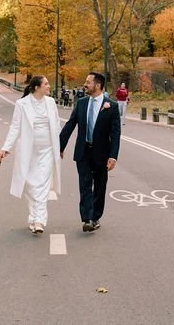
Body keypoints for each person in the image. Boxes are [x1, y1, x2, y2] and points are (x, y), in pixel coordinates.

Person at [0, 75, 61, 234]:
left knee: (42, 185)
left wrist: (59, 147)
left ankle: (39, 220)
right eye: (46, 84)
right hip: (28, 151)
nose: (49, 86)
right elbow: (15, 128)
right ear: (37, 87)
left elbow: (56, 124)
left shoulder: (51, 103)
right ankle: (33, 217)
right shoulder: (22, 104)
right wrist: (5, 149)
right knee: (30, 185)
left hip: (47, 150)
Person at [59, 72, 120, 233]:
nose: (85, 84)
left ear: (98, 85)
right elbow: (70, 125)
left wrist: (113, 156)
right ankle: (87, 218)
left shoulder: (111, 106)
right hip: (83, 151)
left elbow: (115, 134)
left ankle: (95, 217)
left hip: (102, 153)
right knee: (85, 185)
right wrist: (59, 146)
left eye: (88, 82)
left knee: (100, 187)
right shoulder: (81, 103)